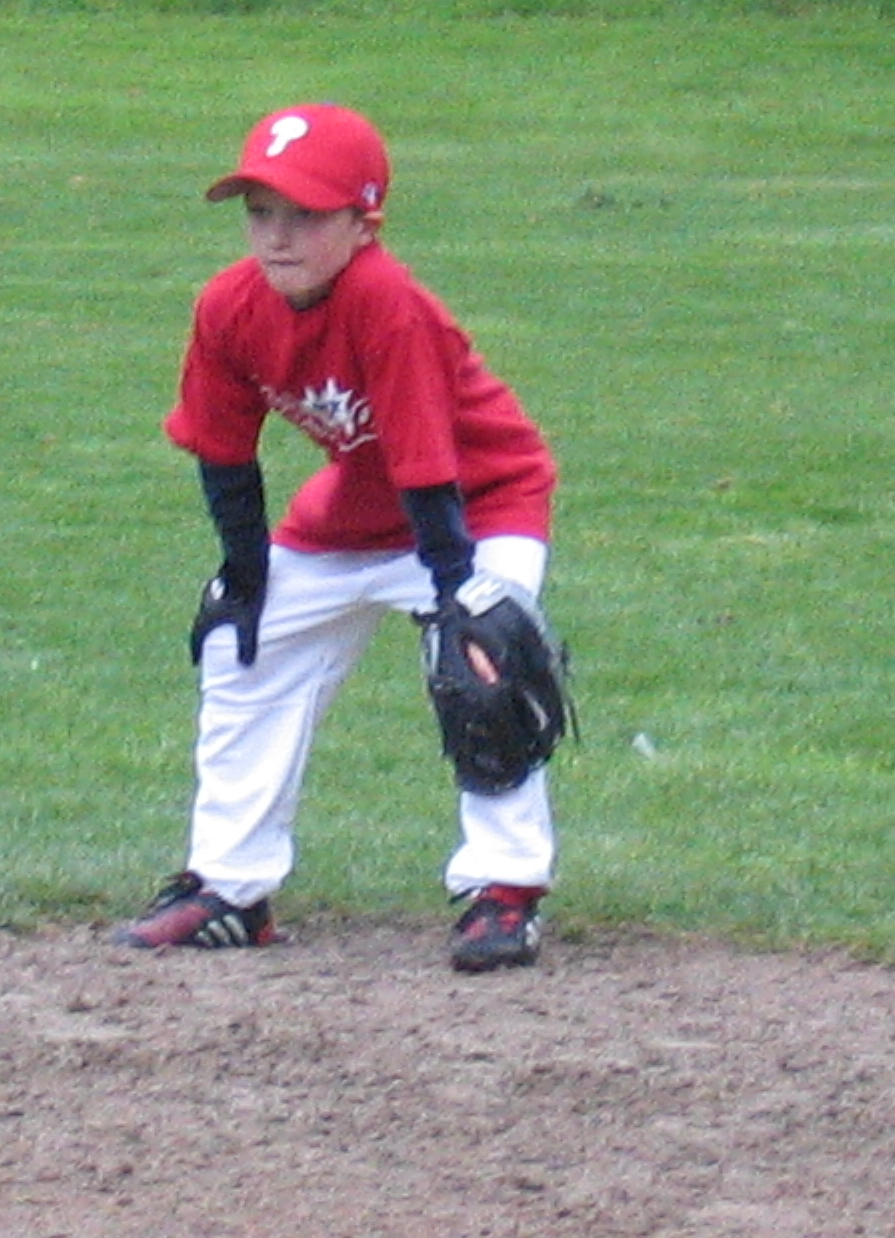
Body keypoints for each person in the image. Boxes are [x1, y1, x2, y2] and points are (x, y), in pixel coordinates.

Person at [114, 103, 562, 972]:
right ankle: (230, 889)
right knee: (243, 649)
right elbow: (223, 451)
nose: (278, 237)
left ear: (366, 223)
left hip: (477, 503)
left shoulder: (388, 304)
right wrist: (243, 574)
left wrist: (459, 593)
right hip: (352, 514)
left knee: (483, 674)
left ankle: (504, 889)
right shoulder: (230, 305)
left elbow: (430, 460)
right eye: (261, 213)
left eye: (307, 216)